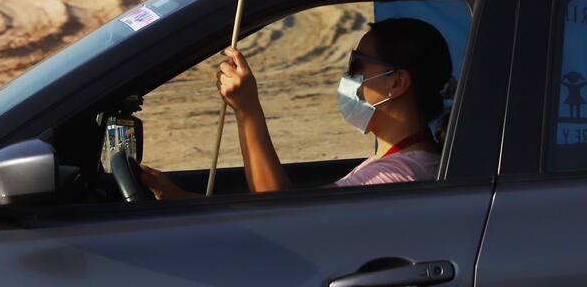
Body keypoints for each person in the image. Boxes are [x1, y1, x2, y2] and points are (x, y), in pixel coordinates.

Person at [140, 17, 452, 198]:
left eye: (357, 65)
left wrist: (247, 110)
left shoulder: (399, 175)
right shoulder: (403, 161)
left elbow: (280, 216)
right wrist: (178, 198)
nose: (347, 76)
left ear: (397, 82)